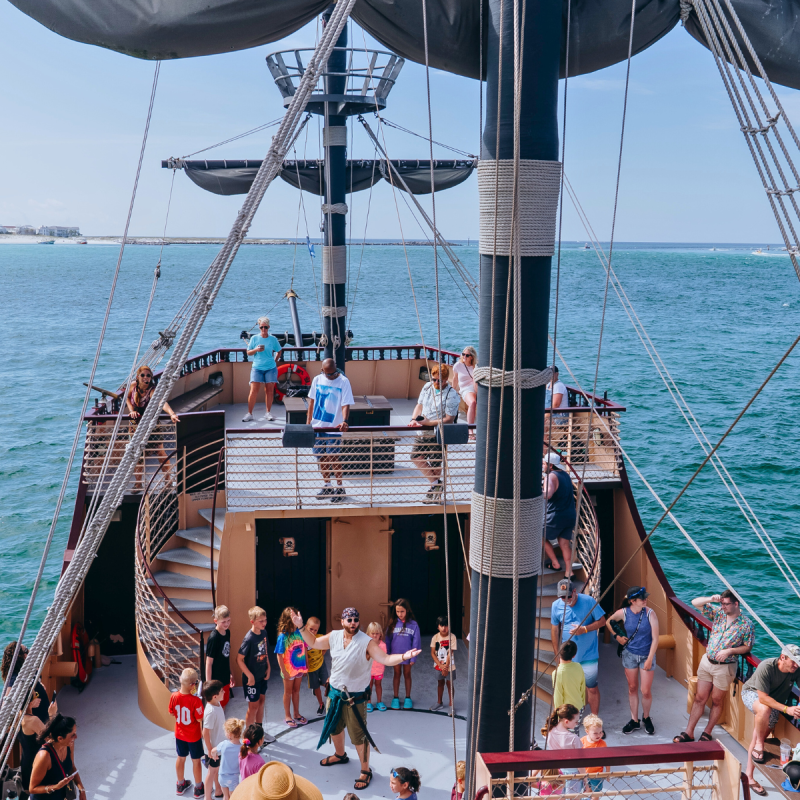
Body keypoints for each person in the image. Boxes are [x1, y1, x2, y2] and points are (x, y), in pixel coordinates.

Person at [291, 607, 422, 791]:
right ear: (342, 621)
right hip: (335, 693)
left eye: (355, 620)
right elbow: (312, 642)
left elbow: (384, 658)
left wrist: (403, 656)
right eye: (349, 619)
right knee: (334, 727)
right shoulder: (334, 636)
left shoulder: (366, 642)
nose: (353, 623)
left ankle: (365, 770)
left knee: (359, 736)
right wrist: (301, 627)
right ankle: (340, 754)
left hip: (355, 698)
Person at [673, 590, 754, 744]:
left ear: (736, 604)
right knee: (699, 698)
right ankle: (689, 732)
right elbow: (695, 603)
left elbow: (747, 647)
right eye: (721, 603)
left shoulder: (746, 625)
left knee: (717, 700)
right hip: (707, 662)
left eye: (726, 604)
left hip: (725, 667)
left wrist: (730, 651)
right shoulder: (719, 614)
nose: (723, 606)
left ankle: (707, 732)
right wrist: (711, 599)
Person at [741, 644, 800, 797]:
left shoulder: (796, 670)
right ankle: (758, 749)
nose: (796, 665)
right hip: (752, 694)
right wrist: (788, 709)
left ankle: (749, 774)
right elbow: (763, 698)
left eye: (798, 662)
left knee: (759, 732)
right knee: (763, 712)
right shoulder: (766, 667)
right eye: (793, 661)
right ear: (782, 657)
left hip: (774, 704)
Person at [606, 586, 659, 736]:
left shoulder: (650, 613)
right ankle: (634, 720)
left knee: (645, 691)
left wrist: (649, 659)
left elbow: (655, 639)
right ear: (632, 601)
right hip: (629, 654)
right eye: (642, 598)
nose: (645, 600)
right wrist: (617, 637)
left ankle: (646, 717)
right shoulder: (623, 613)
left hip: (646, 655)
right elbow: (609, 622)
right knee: (632, 688)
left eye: (645, 597)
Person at [550, 578, 606, 715]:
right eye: (562, 597)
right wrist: (557, 654)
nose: (565, 599)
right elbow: (554, 629)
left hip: (588, 655)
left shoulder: (589, 601)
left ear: (574, 592)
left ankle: (594, 721)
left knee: (592, 688)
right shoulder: (556, 605)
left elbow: (602, 621)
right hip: (568, 658)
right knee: (569, 689)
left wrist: (584, 629)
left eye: (568, 596)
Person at [409, 363, 461, 503]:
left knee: (436, 462)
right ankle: (436, 484)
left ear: (446, 380)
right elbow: (419, 405)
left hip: (438, 433)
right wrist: (414, 419)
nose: (437, 383)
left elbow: (449, 419)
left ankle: (435, 492)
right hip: (422, 432)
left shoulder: (452, 394)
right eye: (434, 379)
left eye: (440, 380)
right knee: (415, 456)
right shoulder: (427, 387)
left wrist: (428, 423)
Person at [307, 357, 354, 504]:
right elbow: (312, 402)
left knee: (334, 457)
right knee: (321, 457)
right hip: (317, 426)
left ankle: (340, 488)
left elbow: (346, 404)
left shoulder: (344, 382)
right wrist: (308, 423)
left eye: (333, 374)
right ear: (322, 371)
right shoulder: (317, 380)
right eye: (328, 374)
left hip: (334, 426)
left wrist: (345, 421)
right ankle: (327, 485)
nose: (331, 377)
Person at [126, 364, 180, 489]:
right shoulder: (133, 386)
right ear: (138, 377)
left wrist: (171, 413)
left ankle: (168, 479)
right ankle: (138, 483)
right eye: (143, 375)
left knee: (160, 452)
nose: (146, 378)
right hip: (135, 427)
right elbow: (127, 398)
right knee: (137, 456)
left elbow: (162, 402)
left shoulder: (152, 390)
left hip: (151, 426)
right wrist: (131, 410)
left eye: (148, 376)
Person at [28, 714, 86, 800]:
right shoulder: (44, 756)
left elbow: (71, 767)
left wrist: (82, 790)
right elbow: (32, 788)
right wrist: (55, 787)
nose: (76, 737)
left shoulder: (69, 744)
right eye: (72, 735)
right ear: (60, 738)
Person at [237, 606, 274, 737]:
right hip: (252, 679)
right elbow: (239, 659)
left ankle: (259, 732)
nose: (264, 623)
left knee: (261, 701)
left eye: (265, 620)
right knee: (253, 707)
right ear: (252, 622)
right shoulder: (249, 639)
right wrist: (249, 676)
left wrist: (268, 667)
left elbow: (265, 651)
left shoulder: (264, 633)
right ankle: (248, 735)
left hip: (262, 675)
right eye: (261, 621)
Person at [169, 667, 205, 798]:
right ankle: (199, 787)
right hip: (194, 736)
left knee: (181, 758)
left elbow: (172, 712)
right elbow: (200, 718)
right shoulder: (196, 701)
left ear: (180, 679)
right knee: (196, 761)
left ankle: (180, 784)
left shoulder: (173, 696)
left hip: (180, 734)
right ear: (193, 685)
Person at [2, 641, 53, 725]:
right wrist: (30, 705)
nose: (29, 651)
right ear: (20, 657)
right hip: (36, 721)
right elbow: (6, 707)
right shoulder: (15, 677)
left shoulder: (29, 668)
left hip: (44, 716)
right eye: (26, 650)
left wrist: (39, 685)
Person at [243, 317, 283, 422]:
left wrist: (275, 360)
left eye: (265, 327)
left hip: (270, 368)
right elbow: (248, 352)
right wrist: (256, 349)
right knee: (253, 391)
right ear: (259, 327)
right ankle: (249, 413)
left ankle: (268, 413)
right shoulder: (254, 339)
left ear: (269, 327)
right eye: (261, 327)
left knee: (269, 391)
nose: (264, 329)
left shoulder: (273, 339)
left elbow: (279, 350)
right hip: (257, 368)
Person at [543, 453, 576, 577]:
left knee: (538, 536)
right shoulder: (565, 475)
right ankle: (569, 572)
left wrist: (536, 492)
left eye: (544, 463)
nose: (542, 465)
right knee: (564, 544)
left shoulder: (550, 477)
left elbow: (548, 494)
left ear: (550, 465)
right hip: (570, 515)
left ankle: (555, 563)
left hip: (556, 516)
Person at [275, 607, 308, 728]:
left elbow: (304, 648)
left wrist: (306, 666)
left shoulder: (300, 633)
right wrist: (283, 670)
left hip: (299, 668)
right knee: (288, 692)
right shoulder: (282, 636)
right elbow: (279, 654)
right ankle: (287, 715)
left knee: (296, 691)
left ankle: (296, 713)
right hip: (289, 670)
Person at [386, 599, 422, 710]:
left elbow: (416, 641)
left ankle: (407, 698)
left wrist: (413, 657)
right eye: (397, 611)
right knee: (396, 674)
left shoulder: (413, 625)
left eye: (402, 611)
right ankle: (395, 698)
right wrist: (387, 655)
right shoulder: (392, 623)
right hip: (395, 655)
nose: (400, 614)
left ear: (407, 610)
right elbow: (388, 640)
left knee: (407, 675)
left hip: (408, 656)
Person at [19, 692, 57, 797]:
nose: (38, 696)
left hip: (25, 762)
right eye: (35, 695)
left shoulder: (18, 717)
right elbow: (52, 739)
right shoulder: (32, 720)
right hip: (37, 764)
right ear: (30, 703)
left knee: (29, 794)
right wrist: (52, 715)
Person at [541, 704, 582, 794]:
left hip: (556, 772)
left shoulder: (549, 732)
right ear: (566, 721)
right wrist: (586, 780)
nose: (577, 723)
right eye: (576, 721)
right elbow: (580, 762)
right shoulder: (574, 738)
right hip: (572, 773)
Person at [202, 680, 226, 800]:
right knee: (212, 772)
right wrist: (211, 750)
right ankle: (207, 797)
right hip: (213, 749)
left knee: (217, 770)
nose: (224, 691)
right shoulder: (211, 711)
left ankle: (218, 790)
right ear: (215, 696)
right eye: (222, 691)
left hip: (218, 747)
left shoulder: (217, 703)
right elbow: (205, 732)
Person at [206, 605, 233, 708]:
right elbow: (209, 663)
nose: (226, 624)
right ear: (215, 621)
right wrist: (209, 684)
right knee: (216, 706)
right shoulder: (214, 638)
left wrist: (231, 673)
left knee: (224, 701)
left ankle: (222, 722)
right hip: (216, 679)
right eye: (223, 622)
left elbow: (227, 654)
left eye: (228, 620)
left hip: (225, 677)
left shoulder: (227, 633)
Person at [210, 718, 244, 800]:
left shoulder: (224, 744)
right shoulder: (242, 748)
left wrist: (214, 755)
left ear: (229, 734)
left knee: (225, 796)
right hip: (234, 778)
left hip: (222, 777)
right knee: (233, 797)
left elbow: (213, 751)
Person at [430, 615, 457, 711]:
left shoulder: (452, 637)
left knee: (449, 683)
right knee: (440, 683)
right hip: (438, 665)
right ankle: (439, 702)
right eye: (442, 625)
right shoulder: (435, 637)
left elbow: (450, 652)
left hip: (450, 666)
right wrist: (440, 666)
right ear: (438, 627)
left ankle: (451, 704)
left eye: (446, 625)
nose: (444, 628)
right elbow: (433, 653)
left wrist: (446, 667)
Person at [553, 640, 586, 715]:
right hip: (578, 707)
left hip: (566, 712)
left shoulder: (557, 673)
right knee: (574, 726)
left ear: (559, 653)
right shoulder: (578, 666)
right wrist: (583, 703)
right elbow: (582, 687)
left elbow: (558, 696)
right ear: (574, 655)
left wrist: (557, 714)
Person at [305, 617, 330, 716]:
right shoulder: (303, 640)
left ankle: (329, 703)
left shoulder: (319, 638)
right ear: (306, 627)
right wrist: (305, 669)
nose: (313, 632)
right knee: (316, 687)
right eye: (311, 629)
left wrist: (321, 655)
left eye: (315, 630)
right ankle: (321, 704)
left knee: (327, 683)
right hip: (311, 669)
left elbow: (326, 646)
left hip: (321, 665)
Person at [581, 715, 608, 793]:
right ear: (587, 732)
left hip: (597, 775)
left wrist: (607, 772)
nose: (599, 735)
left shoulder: (602, 744)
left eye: (600, 732)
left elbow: (607, 759)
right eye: (595, 733)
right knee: (587, 791)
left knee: (596, 793)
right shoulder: (582, 741)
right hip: (585, 774)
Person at [452, 346, 477, 425]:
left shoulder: (476, 367)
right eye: (463, 354)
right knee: (472, 403)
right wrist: (452, 391)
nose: (464, 356)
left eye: (467, 355)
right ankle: (470, 430)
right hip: (466, 389)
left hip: (476, 387)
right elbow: (455, 379)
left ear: (472, 357)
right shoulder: (458, 365)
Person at [366, 621, 387, 713]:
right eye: (372, 633)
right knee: (369, 686)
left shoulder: (383, 645)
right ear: (368, 634)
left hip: (379, 670)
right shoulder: (366, 644)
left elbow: (384, 657)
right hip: (368, 670)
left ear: (380, 634)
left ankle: (379, 701)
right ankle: (368, 702)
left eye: (377, 633)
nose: (374, 635)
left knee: (378, 685)